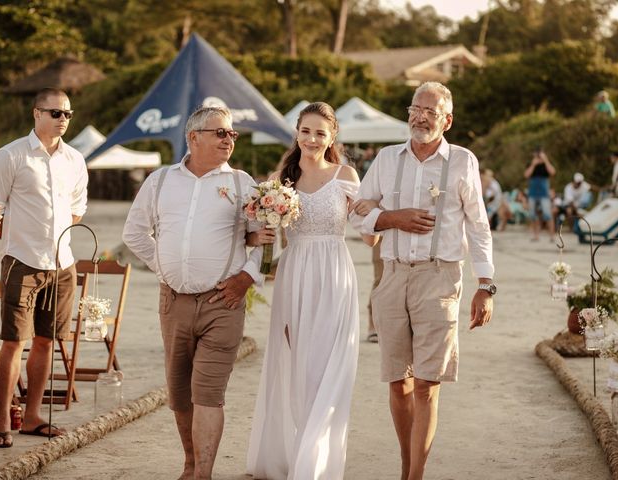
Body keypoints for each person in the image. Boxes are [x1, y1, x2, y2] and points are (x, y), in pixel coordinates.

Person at [350, 81, 495, 480]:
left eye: (430, 111)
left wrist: (486, 284)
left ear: (447, 120)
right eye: (415, 108)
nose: (419, 116)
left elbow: (479, 228)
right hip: (393, 276)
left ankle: (415, 475)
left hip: (440, 277)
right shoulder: (385, 158)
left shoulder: (464, 161)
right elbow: (357, 213)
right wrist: (392, 218)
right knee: (398, 383)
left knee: (429, 383)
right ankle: (406, 461)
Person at [123, 106, 269, 479]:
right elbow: (135, 233)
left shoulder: (242, 184)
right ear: (193, 137)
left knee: (207, 392)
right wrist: (164, 269)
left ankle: (202, 473)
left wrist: (246, 278)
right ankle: (190, 463)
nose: (228, 140)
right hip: (173, 302)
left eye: (232, 134)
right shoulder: (159, 180)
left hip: (224, 302)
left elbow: (264, 240)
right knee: (179, 391)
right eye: (220, 133)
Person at [246, 102, 372, 479]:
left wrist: (372, 211)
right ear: (296, 133)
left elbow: (369, 233)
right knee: (298, 364)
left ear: (332, 136)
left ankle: (316, 464)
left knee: (329, 365)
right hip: (295, 272)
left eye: (321, 132)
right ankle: (298, 451)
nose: (313, 139)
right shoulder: (279, 179)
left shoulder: (345, 174)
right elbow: (260, 232)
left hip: (335, 271)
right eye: (306, 131)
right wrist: (262, 235)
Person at [0, 88, 88, 447]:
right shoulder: (9, 156)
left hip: (63, 264)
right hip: (21, 261)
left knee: (47, 343)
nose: (63, 119)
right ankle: (3, 418)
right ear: (36, 114)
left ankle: (32, 417)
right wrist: (20, 234)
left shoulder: (75, 160)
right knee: (13, 342)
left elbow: (77, 209)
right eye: (55, 113)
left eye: (67, 114)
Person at [524, 147, 556, 242]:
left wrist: (546, 160)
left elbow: (553, 172)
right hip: (532, 193)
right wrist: (533, 165)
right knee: (533, 215)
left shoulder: (546, 165)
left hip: (544, 193)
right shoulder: (531, 164)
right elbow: (526, 175)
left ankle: (552, 236)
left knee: (547, 214)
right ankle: (536, 235)